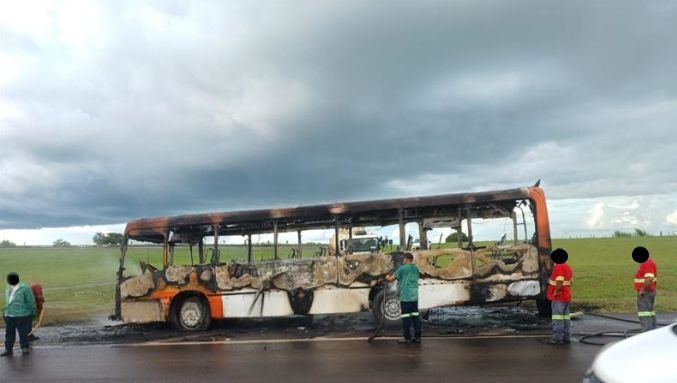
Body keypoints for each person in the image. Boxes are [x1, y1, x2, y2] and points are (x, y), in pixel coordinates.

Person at [385, 252, 421, 344]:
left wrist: (387, 277)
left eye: (403, 259)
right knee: (415, 317)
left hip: (405, 297)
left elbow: (391, 279)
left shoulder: (402, 268)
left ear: (406, 259)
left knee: (406, 318)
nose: (402, 260)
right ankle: (417, 337)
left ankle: (407, 338)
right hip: (414, 297)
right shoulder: (416, 268)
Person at [1, 272, 36, 356]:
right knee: (9, 333)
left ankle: (24, 348)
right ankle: (8, 349)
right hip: (10, 315)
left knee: (23, 333)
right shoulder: (8, 287)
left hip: (23, 315)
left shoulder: (25, 288)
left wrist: (29, 312)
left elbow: (30, 302)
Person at [547, 248, 573, 345]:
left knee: (557, 318)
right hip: (566, 296)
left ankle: (558, 338)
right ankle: (566, 337)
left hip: (559, 297)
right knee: (565, 317)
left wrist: (556, 292)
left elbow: (559, 281)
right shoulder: (568, 267)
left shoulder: (559, 267)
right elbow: (569, 281)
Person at [632, 246, 658, 332]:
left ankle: (647, 333)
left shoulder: (647, 263)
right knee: (650, 312)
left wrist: (642, 290)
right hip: (648, 292)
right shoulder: (646, 263)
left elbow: (649, 279)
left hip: (645, 292)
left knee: (644, 313)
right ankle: (653, 331)